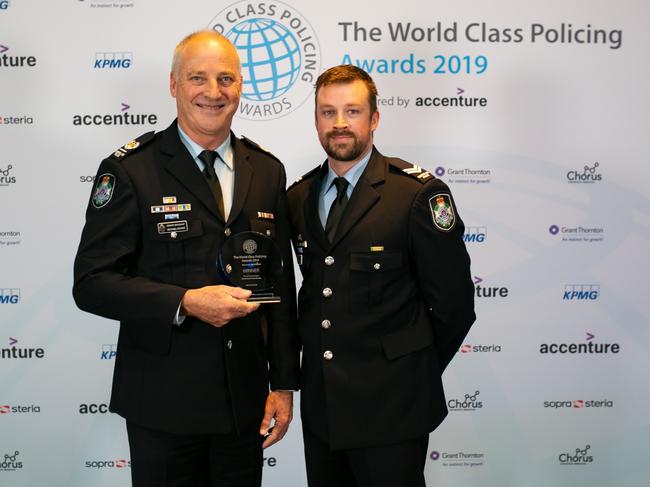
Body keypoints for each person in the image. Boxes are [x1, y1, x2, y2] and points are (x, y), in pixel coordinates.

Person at [73, 30, 300, 487]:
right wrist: (186, 302)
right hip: (163, 404)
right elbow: (92, 282)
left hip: (244, 403)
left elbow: (279, 285)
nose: (213, 93)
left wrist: (283, 383)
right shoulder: (131, 169)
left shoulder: (267, 170)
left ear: (240, 87)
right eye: (198, 78)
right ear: (174, 85)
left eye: (226, 79)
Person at [287, 65, 476, 487]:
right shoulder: (298, 196)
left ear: (374, 119)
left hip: (393, 409)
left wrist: (407, 370)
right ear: (316, 119)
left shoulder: (415, 194)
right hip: (323, 410)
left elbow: (455, 306)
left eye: (352, 111)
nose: (339, 124)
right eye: (327, 112)